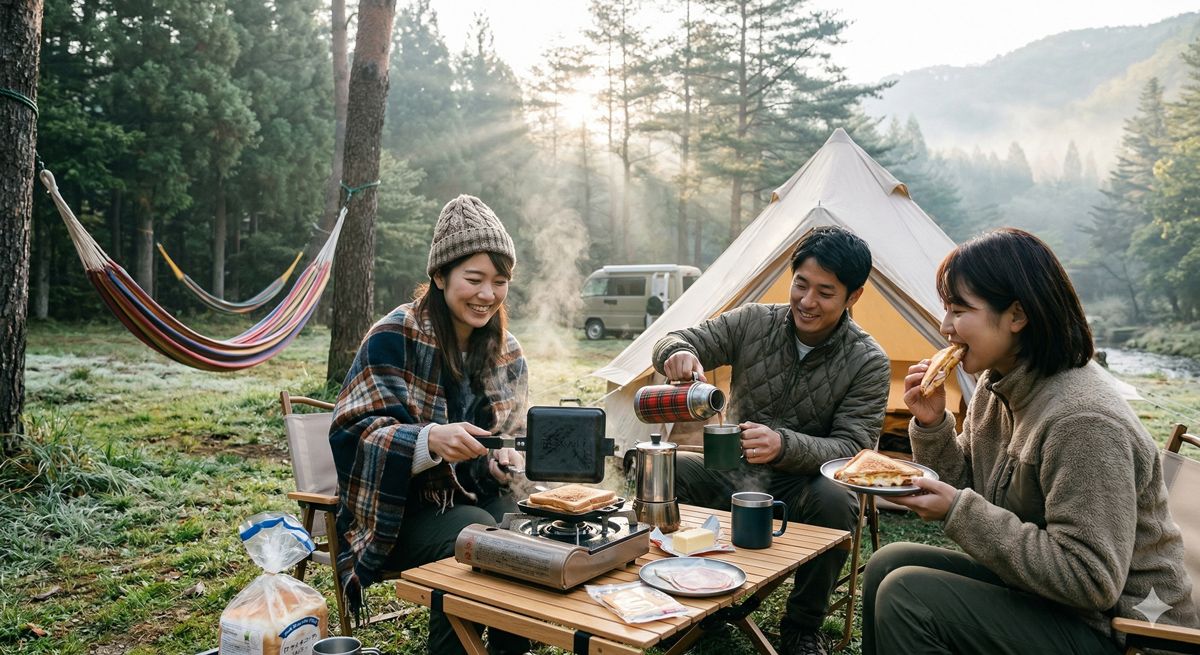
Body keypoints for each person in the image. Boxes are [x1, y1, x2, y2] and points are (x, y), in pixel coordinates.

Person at [863, 228, 1197, 654]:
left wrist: (959, 511)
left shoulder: (1084, 422)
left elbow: (1090, 579)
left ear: (1017, 316)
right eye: (946, 309)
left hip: (1127, 633)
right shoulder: (997, 384)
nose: (944, 326)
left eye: (959, 309)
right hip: (1052, 603)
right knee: (887, 564)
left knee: (907, 596)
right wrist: (932, 425)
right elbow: (967, 481)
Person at [653, 225, 891, 655]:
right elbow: (679, 338)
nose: (807, 301)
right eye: (801, 284)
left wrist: (784, 445)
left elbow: (855, 450)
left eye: (825, 292)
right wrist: (675, 352)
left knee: (837, 499)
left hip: (798, 486)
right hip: (730, 472)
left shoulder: (867, 360)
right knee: (664, 469)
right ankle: (675, 595)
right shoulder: (753, 321)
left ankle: (802, 626)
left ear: (853, 297)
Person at [329, 195, 530, 655]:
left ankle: (508, 648)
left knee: (526, 530)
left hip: (473, 498)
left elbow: (511, 435)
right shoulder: (393, 335)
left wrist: (503, 460)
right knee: (477, 532)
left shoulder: (507, 350)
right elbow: (350, 436)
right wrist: (428, 441)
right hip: (394, 515)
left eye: (499, 282)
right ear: (439, 277)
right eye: (474, 279)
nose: (487, 295)